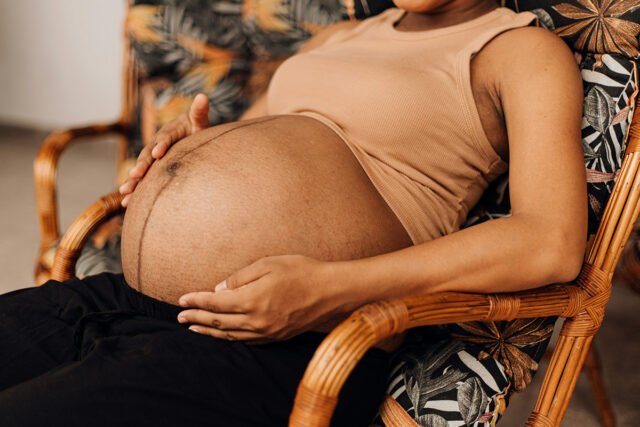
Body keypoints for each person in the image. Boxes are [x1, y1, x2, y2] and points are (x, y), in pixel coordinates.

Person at [0, 0, 586, 425]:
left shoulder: (519, 52)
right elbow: (261, 139)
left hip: (283, 343)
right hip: (126, 298)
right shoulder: (336, 38)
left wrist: (329, 287)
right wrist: (194, 144)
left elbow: (549, 240)